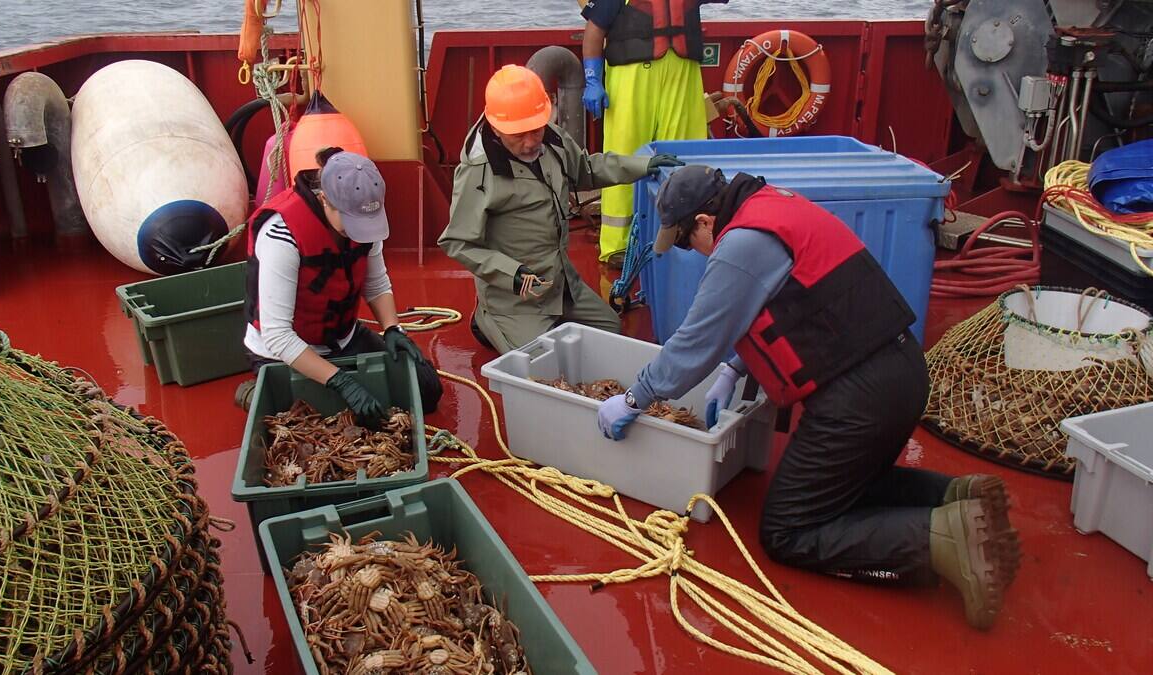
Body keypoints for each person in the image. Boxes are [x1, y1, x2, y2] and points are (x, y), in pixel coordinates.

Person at [595, 165, 1022, 629]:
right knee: (841, 488)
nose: (691, 250)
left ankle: (943, 539)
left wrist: (634, 400)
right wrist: (735, 367)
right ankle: (956, 496)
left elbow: (695, 343)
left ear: (703, 220)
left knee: (788, 530)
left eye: (684, 240)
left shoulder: (740, 245)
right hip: (900, 370)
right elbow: (802, 301)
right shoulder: (773, 206)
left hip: (859, 397)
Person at [438, 64, 683, 353]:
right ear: (496, 128)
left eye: (535, 129)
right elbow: (457, 241)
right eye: (519, 135)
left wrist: (642, 165)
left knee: (610, 332)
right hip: (517, 296)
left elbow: (586, 169)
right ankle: (488, 318)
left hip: (561, 281)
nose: (531, 142)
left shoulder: (552, 138)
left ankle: (554, 315)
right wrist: (510, 273)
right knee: (537, 361)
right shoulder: (477, 173)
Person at [236, 147, 443, 422]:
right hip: (283, 351)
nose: (361, 229)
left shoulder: (365, 222)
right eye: (351, 220)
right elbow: (278, 336)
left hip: (343, 339)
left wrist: (393, 329)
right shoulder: (281, 234)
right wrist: (341, 382)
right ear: (325, 199)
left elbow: (376, 284)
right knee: (319, 421)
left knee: (427, 388)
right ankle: (254, 394)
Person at [581, 0, 728, 268]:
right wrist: (592, 79)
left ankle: (684, 237)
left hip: (683, 77)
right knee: (624, 157)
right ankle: (618, 246)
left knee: (683, 157)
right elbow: (594, 29)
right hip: (631, 79)